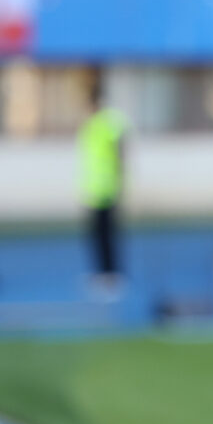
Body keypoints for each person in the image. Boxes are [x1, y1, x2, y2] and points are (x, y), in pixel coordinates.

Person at [78, 78, 126, 281]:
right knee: (95, 236)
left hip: (107, 188)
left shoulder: (109, 122)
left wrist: (119, 180)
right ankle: (100, 272)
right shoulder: (91, 124)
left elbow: (120, 150)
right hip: (93, 190)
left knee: (108, 235)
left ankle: (112, 274)